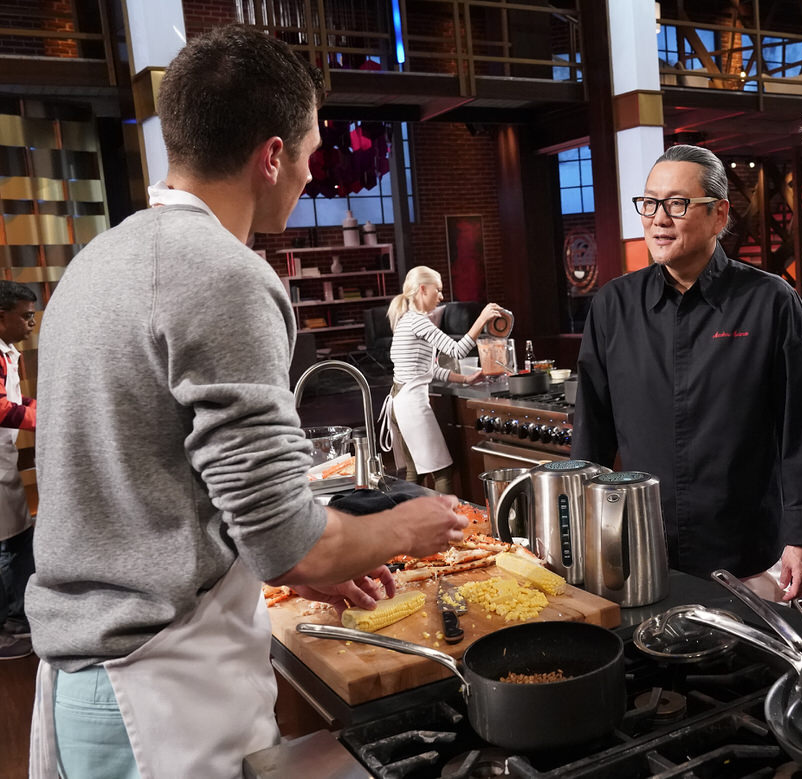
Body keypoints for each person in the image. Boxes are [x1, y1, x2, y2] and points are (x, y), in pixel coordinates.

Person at [25, 25, 467, 778]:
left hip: (89, 678)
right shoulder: (221, 272)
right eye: (308, 149)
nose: (307, 171)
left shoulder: (100, 256)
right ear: (271, 155)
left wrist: (299, 566)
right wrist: (410, 524)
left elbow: (156, 485)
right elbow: (288, 539)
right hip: (159, 689)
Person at [572, 144, 802, 601]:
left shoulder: (770, 301)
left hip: (747, 552)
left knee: (751, 671)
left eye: (677, 204)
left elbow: (800, 428)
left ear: (718, 215)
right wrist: (582, 530)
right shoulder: (613, 305)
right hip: (638, 549)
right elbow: (591, 428)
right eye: (649, 203)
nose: (658, 218)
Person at [383, 266, 503, 493]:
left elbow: (430, 369)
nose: (441, 296)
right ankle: (446, 526)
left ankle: (410, 524)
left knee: (415, 473)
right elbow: (457, 351)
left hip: (398, 403)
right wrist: (481, 319)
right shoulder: (419, 321)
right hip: (411, 405)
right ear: (422, 289)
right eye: (437, 290)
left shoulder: (405, 320)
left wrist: (465, 379)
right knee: (443, 472)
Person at [0, 281, 37, 661]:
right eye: (25, 316)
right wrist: (44, 418)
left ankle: (20, 616)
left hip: (4, 461)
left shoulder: (7, 353)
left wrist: (40, 405)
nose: (32, 323)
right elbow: (1, 408)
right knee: (6, 547)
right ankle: (9, 625)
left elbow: (14, 400)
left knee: (17, 539)